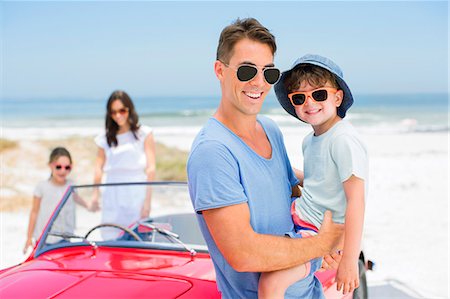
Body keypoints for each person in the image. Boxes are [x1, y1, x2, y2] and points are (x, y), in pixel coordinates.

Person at [187, 18, 344, 299]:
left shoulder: (270, 129)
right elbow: (244, 253)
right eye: (247, 70)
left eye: (269, 73)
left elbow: (289, 189)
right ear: (219, 71)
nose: (259, 83)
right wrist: (323, 244)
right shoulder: (212, 152)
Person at [259, 54, 368, 297]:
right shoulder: (311, 140)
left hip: (319, 231)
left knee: (271, 283)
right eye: (300, 98)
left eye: (319, 94)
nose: (310, 103)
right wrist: (281, 171)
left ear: (337, 97)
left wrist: (349, 260)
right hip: (298, 213)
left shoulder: (343, 140)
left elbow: (356, 201)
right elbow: (321, 181)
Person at [91, 90, 156, 239]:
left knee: (137, 240)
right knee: (111, 239)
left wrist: (147, 202)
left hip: (136, 193)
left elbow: (151, 169)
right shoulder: (104, 139)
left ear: (129, 109)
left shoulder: (144, 133)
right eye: (113, 112)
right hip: (112, 194)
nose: (118, 115)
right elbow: (98, 169)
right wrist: (95, 195)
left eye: (122, 110)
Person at [24, 147, 89, 253]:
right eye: (58, 167)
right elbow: (34, 212)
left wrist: (89, 206)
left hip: (65, 238)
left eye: (67, 167)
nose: (63, 170)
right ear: (51, 165)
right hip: (45, 239)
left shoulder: (71, 185)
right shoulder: (42, 187)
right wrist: (28, 238)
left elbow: (77, 198)